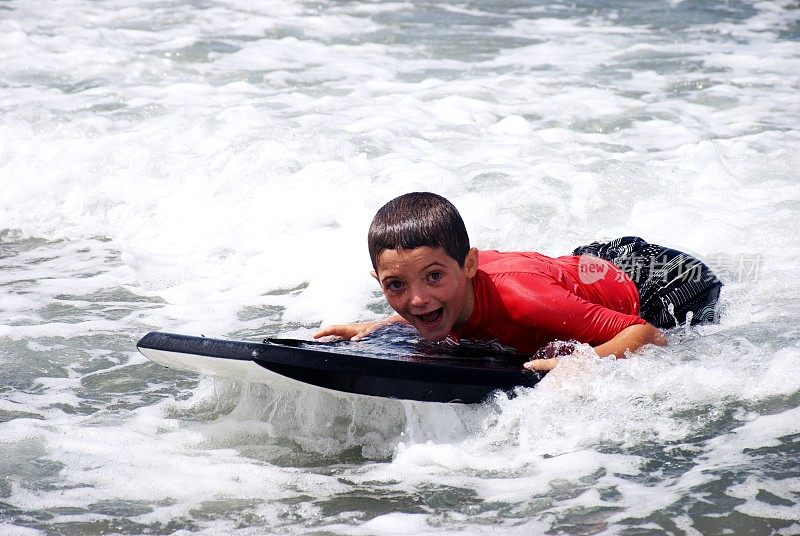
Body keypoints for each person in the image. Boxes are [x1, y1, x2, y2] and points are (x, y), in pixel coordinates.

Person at [314, 192, 722, 372]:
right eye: (395, 286)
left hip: (663, 283)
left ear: (469, 265)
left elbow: (647, 335)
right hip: (582, 270)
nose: (417, 300)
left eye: (434, 276)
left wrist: (585, 364)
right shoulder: (438, 293)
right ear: (378, 280)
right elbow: (434, 303)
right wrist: (377, 327)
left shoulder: (524, 301)